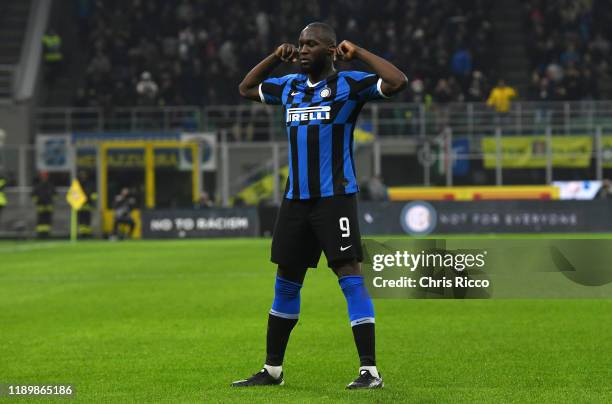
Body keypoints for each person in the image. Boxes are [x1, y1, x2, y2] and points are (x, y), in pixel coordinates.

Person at [234, 22, 407, 389]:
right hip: (295, 200)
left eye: (311, 44)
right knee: (286, 282)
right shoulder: (288, 87)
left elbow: (396, 82)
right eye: (299, 44)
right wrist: (273, 58)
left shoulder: (350, 84)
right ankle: (272, 371)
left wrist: (358, 52)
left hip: (335, 199)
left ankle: (369, 371)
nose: (302, 50)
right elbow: (246, 88)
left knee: (350, 276)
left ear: (331, 50)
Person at [32, 171, 55, 238]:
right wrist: (37, 201)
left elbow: (55, 195)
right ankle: (40, 233)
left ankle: (47, 233)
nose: (44, 178)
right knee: (40, 220)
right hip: (40, 205)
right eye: (43, 176)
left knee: (47, 219)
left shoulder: (50, 185)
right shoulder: (38, 185)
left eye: (45, 176)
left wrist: (51, 201)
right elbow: (33, 195)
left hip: (48, 205)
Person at [77, 171, 98, 238]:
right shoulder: (78, 183)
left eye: (84, 175)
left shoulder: (89, 183)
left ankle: (87, 233)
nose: (83, 176)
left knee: (87, 220)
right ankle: (82, 233)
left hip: (87, 204)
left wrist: (93, 201)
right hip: (80, 205)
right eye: (82, 175)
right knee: (81, 220)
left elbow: (93, 194)